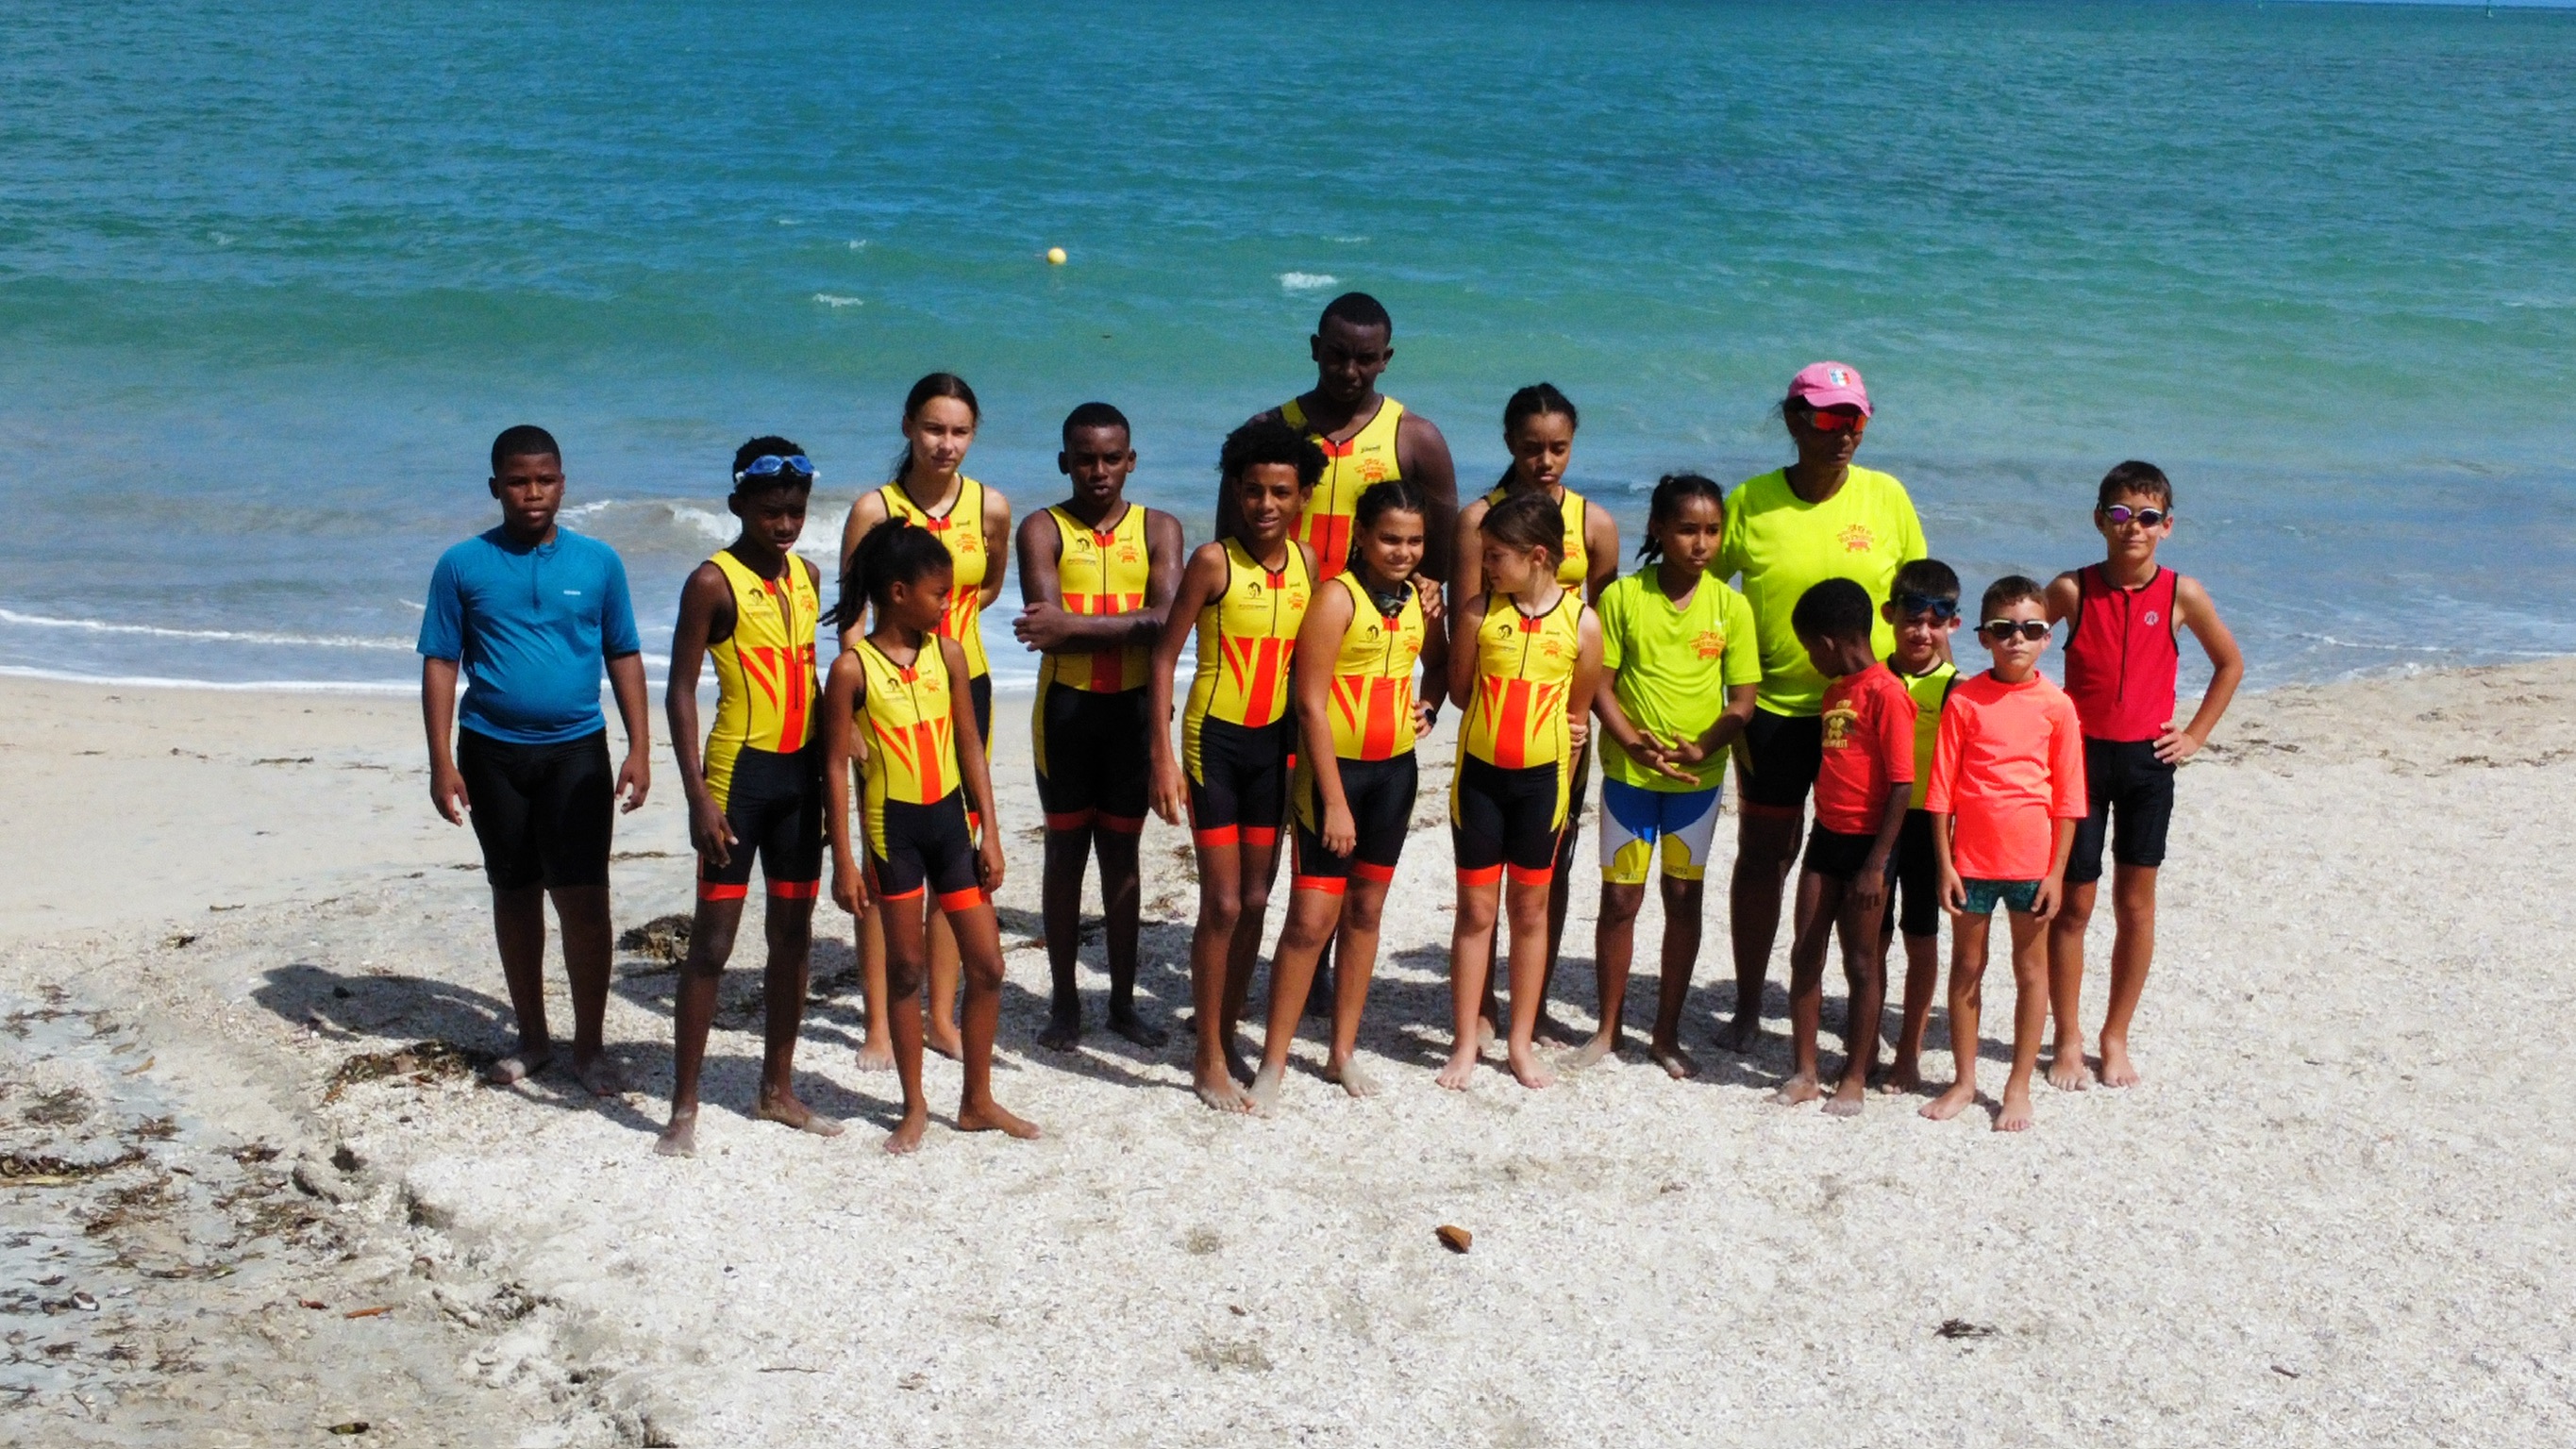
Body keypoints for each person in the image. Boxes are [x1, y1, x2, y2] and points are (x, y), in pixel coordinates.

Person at [420, 425, 650, 1095]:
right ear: (496, 487)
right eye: (518, 481)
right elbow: (441, 663)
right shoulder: (461, 565)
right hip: (491, 752)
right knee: (514, 891)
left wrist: (639, 745)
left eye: (544, 479)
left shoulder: (599, 563)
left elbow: (623, 653)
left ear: (563, 483)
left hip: (577, 750)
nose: (532, 493)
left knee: (585, 898)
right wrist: (441, 761)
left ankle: (591, 1046)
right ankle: (533, 1038)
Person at [1716, 362, 1927, 1052]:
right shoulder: (1749, 502)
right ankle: (1749, 1004)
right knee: (1766, 858)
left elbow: (1917, 603)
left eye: (1857, 420)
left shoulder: (1887, 496)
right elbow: (1707, 600)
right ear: (1794, 420)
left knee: (1868, 861)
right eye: (1832, 419)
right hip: (1777, 712)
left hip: (1867, 716)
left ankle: (1858, 998)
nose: (1847, 434)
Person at [822, 520, 1037, 1153]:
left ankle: (976, 1100)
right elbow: (836, 766)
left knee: (990, 966)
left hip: (950, 830)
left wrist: (990, 831)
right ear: (897, 592)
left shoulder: (948, 655)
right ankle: (914, 1107)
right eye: (940, 593)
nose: (949, 604)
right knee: (907, 970)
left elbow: (970, 745)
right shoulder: (850, 670)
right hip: (893, 838)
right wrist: (845, 862)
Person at [657, 439, 837, 1158]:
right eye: (771, 512)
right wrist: (698, 798)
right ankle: (683, 1105)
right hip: (737, 779)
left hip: (798, 784)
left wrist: (829, 785)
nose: (785, 524)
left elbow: (816, 687)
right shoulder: (712, 582)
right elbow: (678, 690)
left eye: (795, 511)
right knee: (713, 944)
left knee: (792, 938)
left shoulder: (809, 577)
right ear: (738, 507)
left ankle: (777, 1089)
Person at [1247, 480, 1446, 1110]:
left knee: (1365, 914)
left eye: (1414, 541)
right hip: (1334, 779)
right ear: (1362, 535)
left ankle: (1341, 1054)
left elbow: (1437, 668)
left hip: (1395, 776)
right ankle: (1274, 1063)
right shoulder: (1337, 597)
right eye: (1390, 538)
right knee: (1309, 923)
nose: (1403, 551)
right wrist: (1332, 799)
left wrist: (1431, 706)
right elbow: (1308, 703)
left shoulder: (1418, 598)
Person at [2044, 461, 2243, 1090]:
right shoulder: (2072, 590)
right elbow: (2015, 645)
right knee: (2072, 906)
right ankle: (2069, 1039)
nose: (2134, 528)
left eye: (2148, 517)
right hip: (2080, 763)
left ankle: (2115, 1034)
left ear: (2167, 526)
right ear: (2100, 519)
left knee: (2136, 907)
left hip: (2147, 766)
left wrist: (2195, 735)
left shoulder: (2183, 593)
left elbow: (2229, 664)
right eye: (2122, 515)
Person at [837, 374, 1011, 1070]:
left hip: (964, 688)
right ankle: (881, 1020)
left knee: (955, 852)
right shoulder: (873, 508)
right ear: (908, 426)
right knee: (888, 857)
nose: (946, 444)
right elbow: (851, 613)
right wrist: (853, 709)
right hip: (884, 697)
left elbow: (987, 586)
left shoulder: (990, 506)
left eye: (959, 431)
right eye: (934, 429)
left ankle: (941, 1015)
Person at [1149, 419, 1321, 1111]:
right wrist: (1161, 757)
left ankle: (1225, 1020)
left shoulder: (1311, 566)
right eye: (1253, 491)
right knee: (1221, 902)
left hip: (1276, 750)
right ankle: (1208, 1056)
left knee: (1256, 899)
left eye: (1281, 491)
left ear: (1304, 494)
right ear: (1236, 491)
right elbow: (1164, 657)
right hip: (1213, 742)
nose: (1266, 505)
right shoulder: (1213, 563)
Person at [1449, 385, 1621, 1039]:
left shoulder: (1595, 524)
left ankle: (1532, 1002)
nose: (1545, 460)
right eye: (1531, 448)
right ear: (1509, 446)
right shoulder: (1479, 521)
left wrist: (1592, 717)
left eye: (1558, 448)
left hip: (1555, 719)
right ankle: (1482, 1008)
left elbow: (1592, 624)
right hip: (1495, 708)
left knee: (1551, 863)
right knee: (1482, 882)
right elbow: (1472, 617)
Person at [1012, 402, 1184, 1051]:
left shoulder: (1161, 528)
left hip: (1134, 714)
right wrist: (1131, 623)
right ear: (1065, 462)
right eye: (1085, 459)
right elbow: (1045, 636)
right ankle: (1064, 1003)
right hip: (1067, 716)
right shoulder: (1042, 528)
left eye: (1112, 458)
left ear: (1131, 461)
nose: (1099, 470)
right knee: (1064, 856)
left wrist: (1075, 627)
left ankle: (1120, 1004)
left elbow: (1169, 620)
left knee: (1122, 857)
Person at [1573, 474, 1758, 1078]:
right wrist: (1631, 741)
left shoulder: (1731, 606)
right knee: (1620, 899)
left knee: (1683, 898)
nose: (1701, 543)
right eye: (1686, 529)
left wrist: (1703, 747)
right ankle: (1607, 1029)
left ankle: (1667, 1032)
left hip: (1696, 786)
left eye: (1711, 530)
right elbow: (1599, 683)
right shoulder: (1625, 598)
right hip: (1629, 777)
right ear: (1657, 529)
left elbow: (1742, 702)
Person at [1440, 491, 1602, 1091]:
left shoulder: (1582, 622)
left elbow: (1579, 713)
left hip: (1543, 787)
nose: (1486, 566)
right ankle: (1463, 1044)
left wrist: (1570, 746)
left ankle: (1519, 1043)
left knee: (1530, 912)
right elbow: (1460, 691)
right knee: (1476, 911)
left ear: (1537, 556)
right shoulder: (1480, 614)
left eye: (1496, 556)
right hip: (1479, 781)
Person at [1920, 576, 2087, 1132]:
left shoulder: (2057, 706)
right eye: (2004, 629)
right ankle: (1965, 1080)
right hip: (1971, 863)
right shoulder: (1964, 700)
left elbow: (2068, 800)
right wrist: (1944, 864)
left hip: (2032, 866)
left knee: (2030, 969)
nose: (2017, 639)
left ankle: (2016, 1085)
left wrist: (2056, 874)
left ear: (2046, 639)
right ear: (1984, 638)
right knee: (1967, 966)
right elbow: (1940, 790)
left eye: (2031, 629)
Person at [1776, 579, 1915, 1117]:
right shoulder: (1835, 692)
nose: (1812, 660)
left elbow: (1902, 784)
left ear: (1829, 642)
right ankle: (1806, 1071)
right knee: (1804, 952)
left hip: (1868, 849)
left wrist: (1878, 864)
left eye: (1811, 649)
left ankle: (1855, 1075)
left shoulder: (1887, 693)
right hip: (1824, 838)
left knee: (1861, 963)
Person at [1241, 291, 1460, 585]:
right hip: (1282, 609)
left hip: (1368, 617)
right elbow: (1230, 542)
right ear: (1316, 348)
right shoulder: (1269, 430)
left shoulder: (1416, 438)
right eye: (1338, 355)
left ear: (1385, 359)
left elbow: (1440, 559)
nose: (1349, 371)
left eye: (1366, 359)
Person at [1878, 558, 1965, 1093]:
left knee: (1920, 938)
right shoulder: (1872, 678)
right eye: (1912, 618)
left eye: (1936, 621)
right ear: (1889, 615)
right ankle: (1865, 1044)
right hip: (1875, 824)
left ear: (1953, 625)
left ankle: (1908, 1049)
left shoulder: (1959, 690)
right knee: (1870, 937)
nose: (1922, 631)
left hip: (1929, 829)